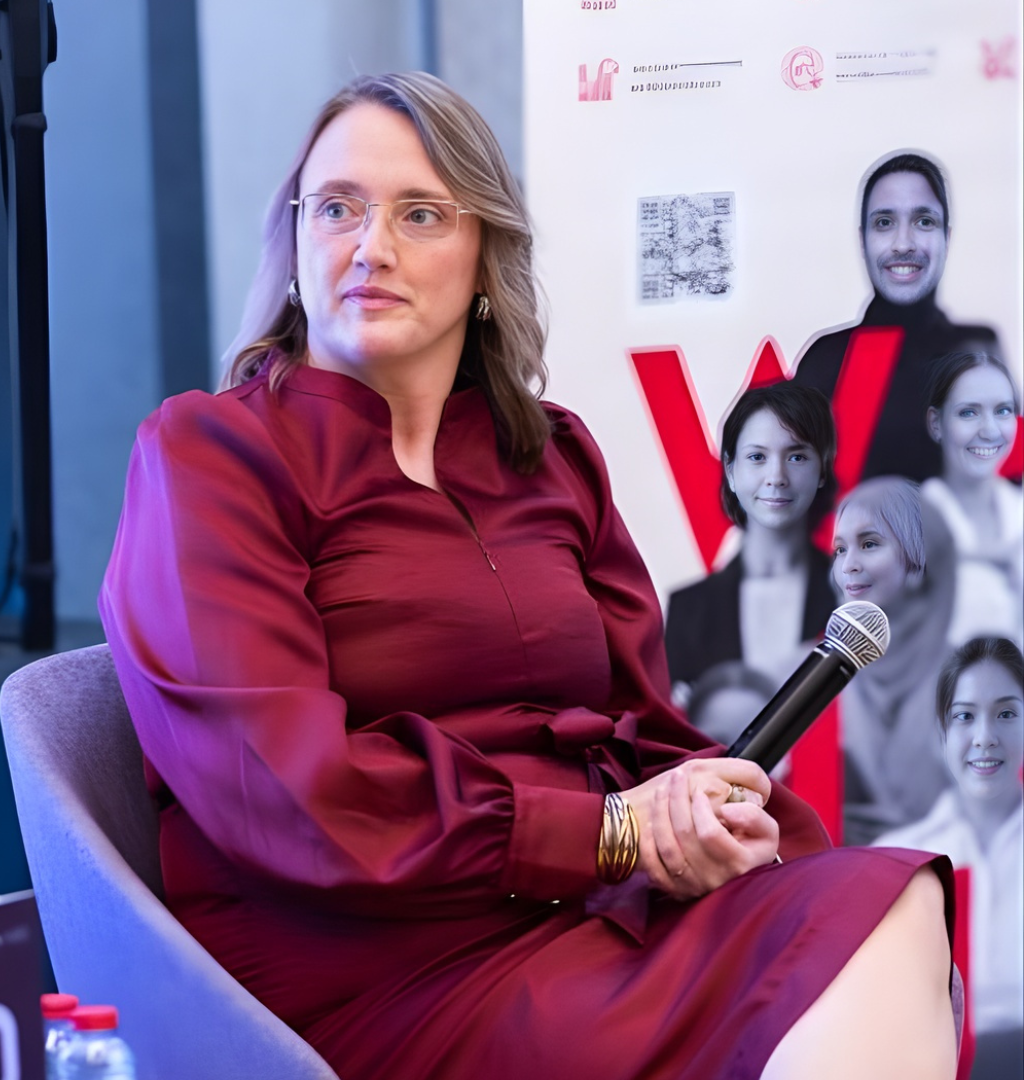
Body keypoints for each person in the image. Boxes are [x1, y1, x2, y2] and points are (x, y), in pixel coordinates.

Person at [99, 73, 957, 1079]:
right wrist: (606, 833)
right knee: (856, 945)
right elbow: (287, 792)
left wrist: (690, 811)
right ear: (292, 245)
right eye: (336, 208)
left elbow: (643, 721)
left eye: (420, 214)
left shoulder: (550, 455)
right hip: (375, 963)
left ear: (483, 259)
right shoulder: (210, 456)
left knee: (893, 903)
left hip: (590, 907)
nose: (371, 247)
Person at [793, 152, 1002, 484]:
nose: (903, 244)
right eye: (884, 223)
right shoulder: (827, 360)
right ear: (862, 240)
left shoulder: (978, 347)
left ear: (947, 238)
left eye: (924, 221)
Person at [875, 638, 1023, 1078]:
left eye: (1006, 714)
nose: (984, 738)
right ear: (940, 733)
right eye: (964, 716)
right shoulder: (896, 858)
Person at [665, 382, 838, 701]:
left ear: (822, 470)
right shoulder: (688, 610)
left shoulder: (851, 598)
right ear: (730, 471)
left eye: (797, 457)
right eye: (757, 457)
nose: (777, 477)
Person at [831, 476, 955, 843]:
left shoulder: (975, 679)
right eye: (840, 549)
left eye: (869, 544)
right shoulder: (805, 673)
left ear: (919, 563)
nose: (848, 565)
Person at [921, 351, 1023, 648]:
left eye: (1003, 410)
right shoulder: (909, 525)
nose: (990, 431)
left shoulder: (1017, 511)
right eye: (969, 412)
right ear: (936, 423)